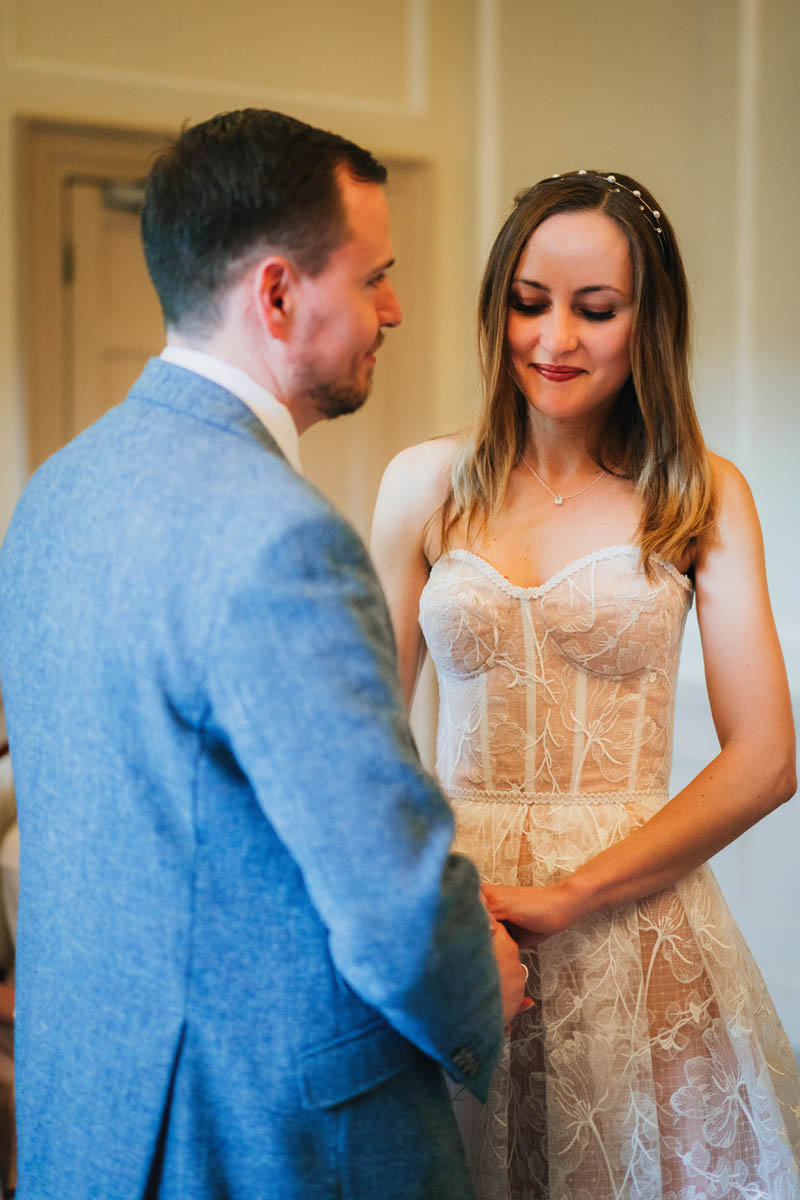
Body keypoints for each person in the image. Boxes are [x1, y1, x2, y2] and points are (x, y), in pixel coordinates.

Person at [0, 109, 530, 1200]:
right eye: (373, 275)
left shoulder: (55, 491)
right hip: (260, 1142)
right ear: (279, 294)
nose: (395, 307)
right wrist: (486, 999)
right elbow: (388, 897)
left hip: (88, 1119)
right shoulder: (280, 537)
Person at [371, 169, 800, 1199]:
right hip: (459, 921)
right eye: (527, 303)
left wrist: (569, 895)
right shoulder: (423, 483)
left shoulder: (697, 491)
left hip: (634, 927)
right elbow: (364, 740)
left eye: (593, 310)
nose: (552, 339)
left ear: (645, 320)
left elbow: (766, 759)